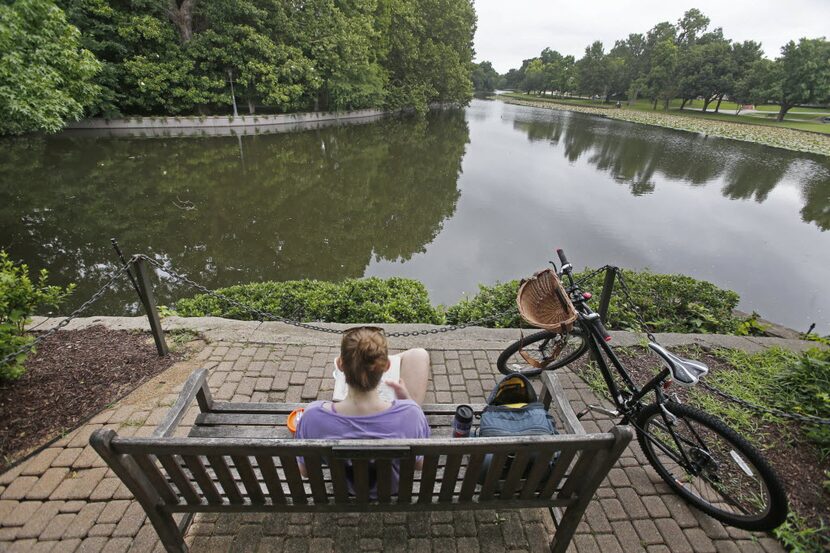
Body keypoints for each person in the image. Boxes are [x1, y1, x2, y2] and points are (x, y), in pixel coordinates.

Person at [294, 326, 431, 489]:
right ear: (387, 366)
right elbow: (419, 465)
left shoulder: (313, 416)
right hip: (391, 491)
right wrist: (408, 401)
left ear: (340, 364)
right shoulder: (412, 414)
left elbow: (305, 471)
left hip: (345, 491)